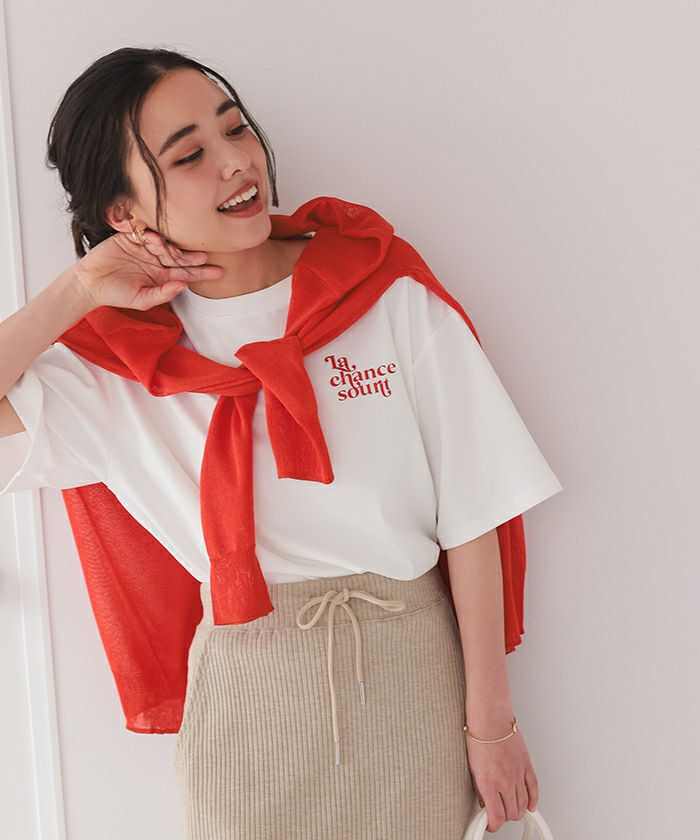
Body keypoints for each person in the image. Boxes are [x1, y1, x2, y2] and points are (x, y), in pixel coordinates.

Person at [0, 46, 563, 838]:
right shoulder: (121, 364)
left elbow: (474, 511)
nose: (237, 162)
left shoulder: (377, 287)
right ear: (124, 213)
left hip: (411, 678)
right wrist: (81, 288)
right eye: (189, 156)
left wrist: (492, 725)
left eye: (235, 129)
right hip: (246, 713)